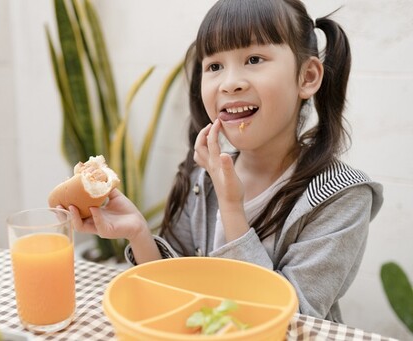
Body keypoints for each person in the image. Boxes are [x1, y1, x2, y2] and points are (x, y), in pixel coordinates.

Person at [64, 0, 383, 323]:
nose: (230, 83)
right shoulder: (203, 177)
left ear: (307, 76)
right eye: (214, 66)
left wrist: (232, 207)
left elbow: (287, 321)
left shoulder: (342, 197)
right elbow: (177, 295)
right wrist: (138, 234)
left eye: (254, 59)